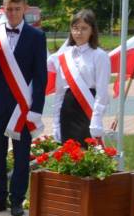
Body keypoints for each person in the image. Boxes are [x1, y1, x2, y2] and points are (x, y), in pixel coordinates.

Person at [0, 0, 48, 216]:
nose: (12, 13)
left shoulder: (36, 36)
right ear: (3, 9)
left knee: (21, 156)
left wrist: (36, 109)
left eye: (17, 9)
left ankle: (17, 200)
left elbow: (41, 76)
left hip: (23, 106)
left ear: (25, 9)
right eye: (9, 9)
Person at [47, 9, 110, 144]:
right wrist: (56, 123)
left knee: (87, 153)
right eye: (75, 28)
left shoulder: (99, 55)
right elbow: (59, 92)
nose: (79, 32)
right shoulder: (64, 56)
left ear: (92, 30)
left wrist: (96, 119)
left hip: (88, 108)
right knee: (68, 153)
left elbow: (102, 92)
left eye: (84, 28)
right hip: (67, 110)